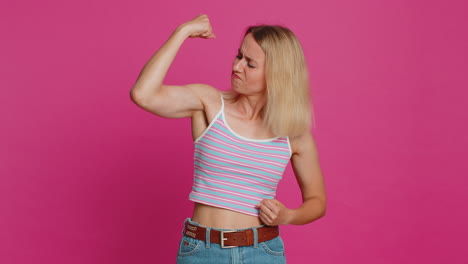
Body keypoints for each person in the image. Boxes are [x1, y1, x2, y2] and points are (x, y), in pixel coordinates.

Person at [130, 14, 326, 264]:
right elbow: (143, 94)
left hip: (262, 252)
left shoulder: (294, 134)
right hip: (200, 251)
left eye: (250, 64)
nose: (236, 66)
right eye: (238, 56)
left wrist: (287, 216)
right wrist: (182, 31)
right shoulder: (208, 103)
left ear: (278, 74)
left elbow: (317, 201)